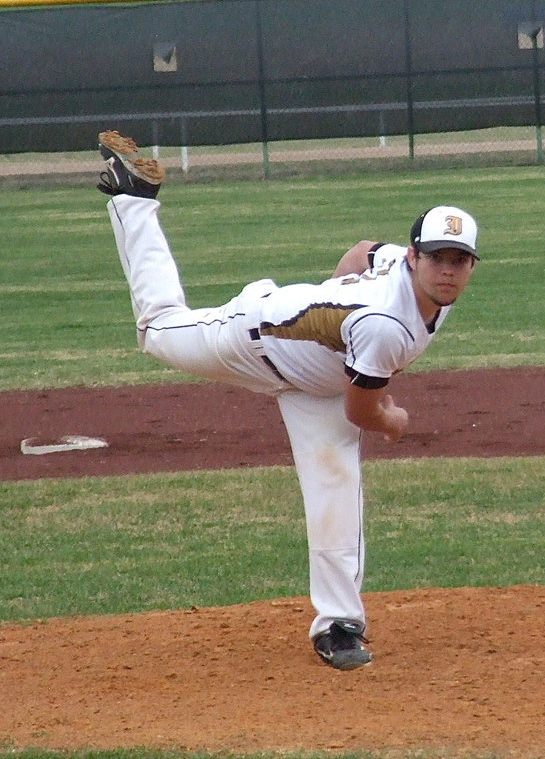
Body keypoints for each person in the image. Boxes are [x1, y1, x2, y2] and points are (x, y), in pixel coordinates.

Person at [97, 130, 481, 670]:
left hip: (316, 383)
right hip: (253, 339)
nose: (448, 269)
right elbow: (363, 409)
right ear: (415, 257)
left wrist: (332, 316)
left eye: (460, 260)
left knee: (335, 487)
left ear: (472, 267)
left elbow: (360, 252)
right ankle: (132, 198)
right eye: (438, 257)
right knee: (158, 331)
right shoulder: (384, 324)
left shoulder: (409, 280)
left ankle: (339, 626)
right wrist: (391, 419)